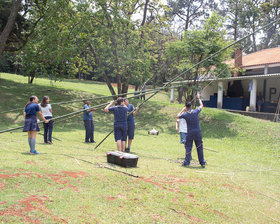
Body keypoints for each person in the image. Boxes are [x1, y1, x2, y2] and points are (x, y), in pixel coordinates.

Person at [177, 93, 206, 168]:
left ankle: (186, 162)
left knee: (188, 147)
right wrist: (199, 98)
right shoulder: (195, 111)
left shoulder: (185, 114)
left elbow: (177, 116)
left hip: (190, 133)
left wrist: (182, 110)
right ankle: (202, 163)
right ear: (191, 106)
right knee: (199, 147)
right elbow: (202, 105)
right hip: (197, 132)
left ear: (186, 107)